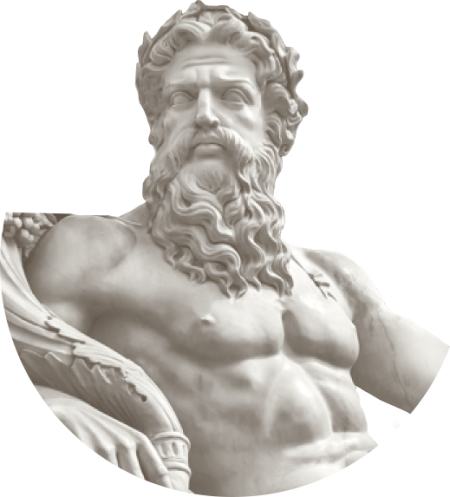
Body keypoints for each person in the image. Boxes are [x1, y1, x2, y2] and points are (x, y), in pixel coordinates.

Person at [13, 2, 449, 496]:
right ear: (158, 124)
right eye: (182, 98)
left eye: (231, 96)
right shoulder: (100, 251)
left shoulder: (336, 277)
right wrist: (60, 408)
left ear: (274, 124)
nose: (204, 115)